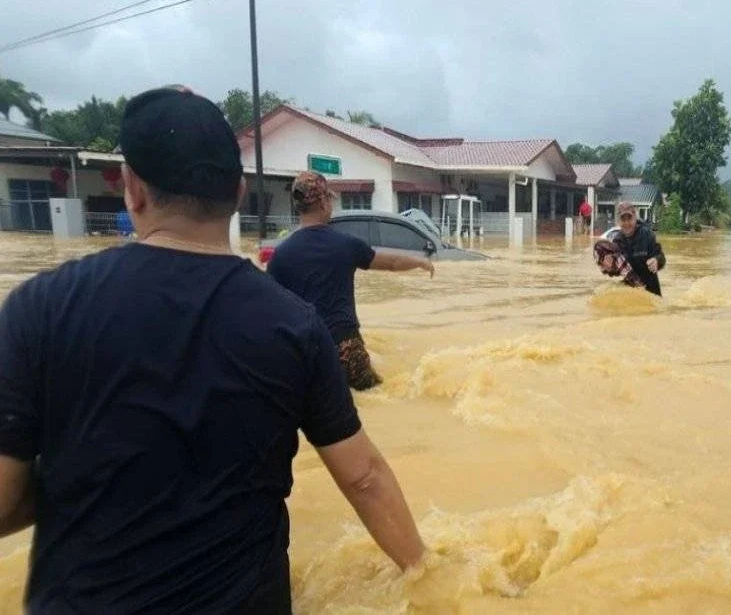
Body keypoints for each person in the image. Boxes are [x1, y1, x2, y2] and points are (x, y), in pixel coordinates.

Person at [0, 86, 425, 614]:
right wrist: (428, 575)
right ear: (240, 192)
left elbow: (5, 500)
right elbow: (363, 476)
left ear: (131, 188)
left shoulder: (37, 307)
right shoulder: (293, 327)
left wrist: (94, 467)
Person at [267, 171, 434, 391]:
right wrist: (420, 261)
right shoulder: (345, 245)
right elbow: (392, 263)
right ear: (325, 201)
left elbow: (269, 311)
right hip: (345, 348)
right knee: (378, 398)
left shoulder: (280, 255)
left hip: (301, 353)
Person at [609, 201, 666, 296]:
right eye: (623, 219)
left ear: (635, 218)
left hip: (652, 290)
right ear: (619, 221)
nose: (626, 223)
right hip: (631, 292)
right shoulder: (617, 241)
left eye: (629, 218)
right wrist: (609, 267)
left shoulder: (647, 234)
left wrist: (656, 260)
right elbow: (614, 271)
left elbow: (661, 257)